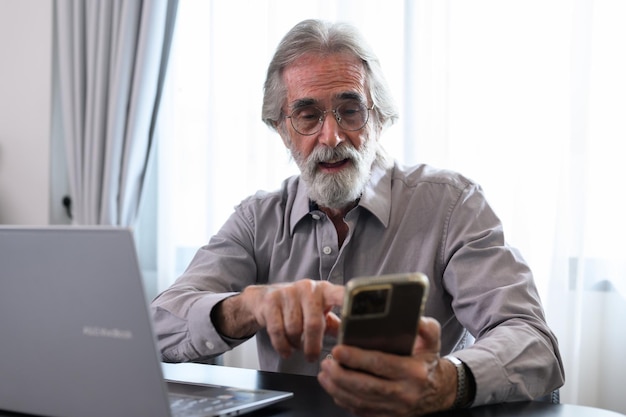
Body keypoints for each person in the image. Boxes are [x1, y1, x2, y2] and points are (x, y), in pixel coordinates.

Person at [151, 19, 564, 416]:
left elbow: (532, 342)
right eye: (308, 115)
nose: (331, 137)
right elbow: (157, 326)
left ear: (380, 118)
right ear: (282, 129)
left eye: (350, 111)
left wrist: (446, 381)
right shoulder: (257, 219)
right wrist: (248, 307)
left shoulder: (452, 205)